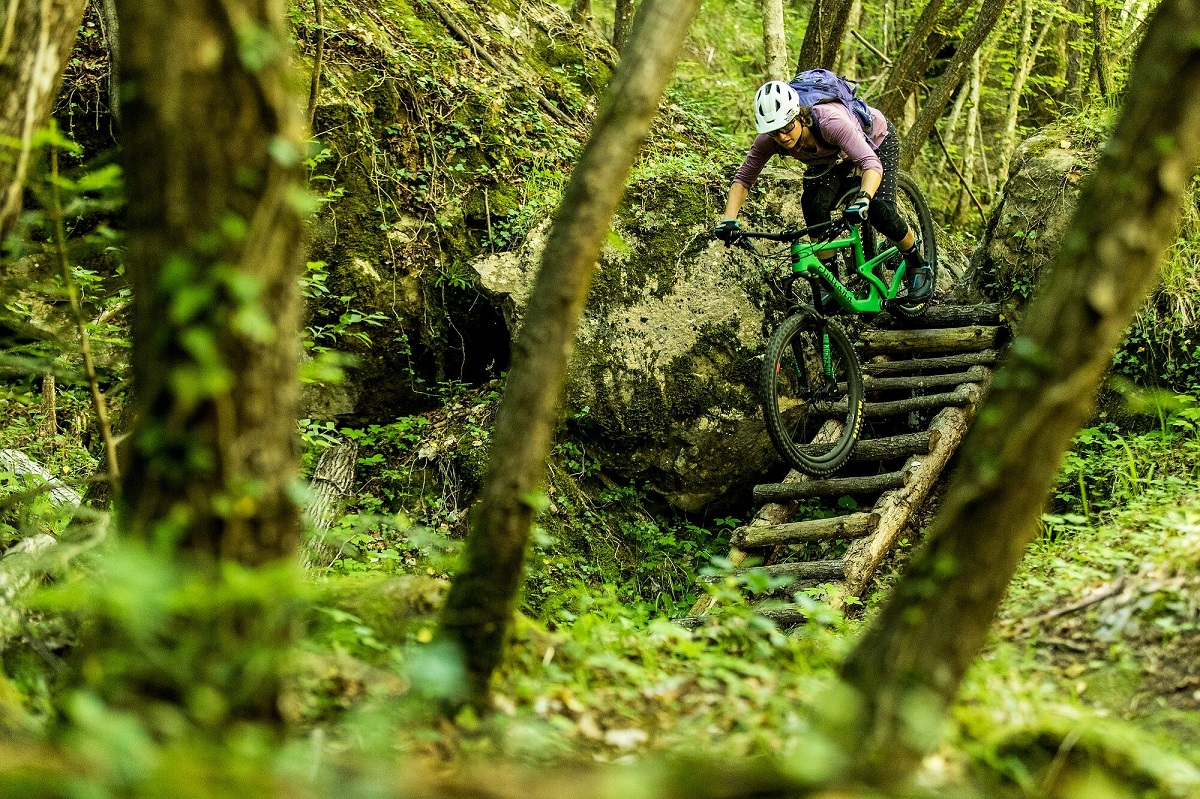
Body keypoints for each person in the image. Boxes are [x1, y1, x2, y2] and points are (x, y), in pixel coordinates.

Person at [713, 80, 933, 309]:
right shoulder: (771, 140)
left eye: (787, 127)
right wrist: (729, 220)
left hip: (875, 144)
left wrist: (864, 199)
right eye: (774, 132)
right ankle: (831, 282)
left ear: (800, 115)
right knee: (813, 204)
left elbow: (871, 165)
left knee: (879, 209)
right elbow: (743, 180)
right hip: (832, 159)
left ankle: (917, 262)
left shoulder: (830, 122)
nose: (783, 137)